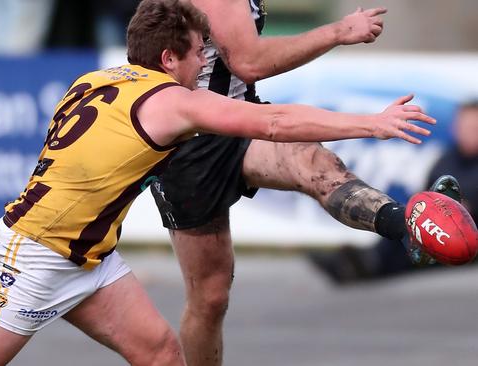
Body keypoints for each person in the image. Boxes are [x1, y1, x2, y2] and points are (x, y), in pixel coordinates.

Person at [0, 0, 437, 364]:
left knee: (161, 354)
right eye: (200, 52)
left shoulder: (98, 78)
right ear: (169, 57)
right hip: (36, 255)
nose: (208, 63)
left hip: (86, 255)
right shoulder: (171, 100)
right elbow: (270, 120)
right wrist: (371, 122)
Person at [148, 1, 451, 365]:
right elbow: (250, 62)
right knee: (210, 299)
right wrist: (338, 32)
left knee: (313, 162)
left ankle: (409, 228)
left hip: (238, 115)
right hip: (187, 141)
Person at [310, 100, 478, 284]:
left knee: (415, 235)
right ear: (455, 128)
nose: (468, 132)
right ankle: (362, 260)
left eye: (473, 127)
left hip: (467, 234)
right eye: (464, 126)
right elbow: (425, 194)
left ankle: (368, 264)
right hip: (437, 226)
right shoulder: (446, 160)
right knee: (406, 221)